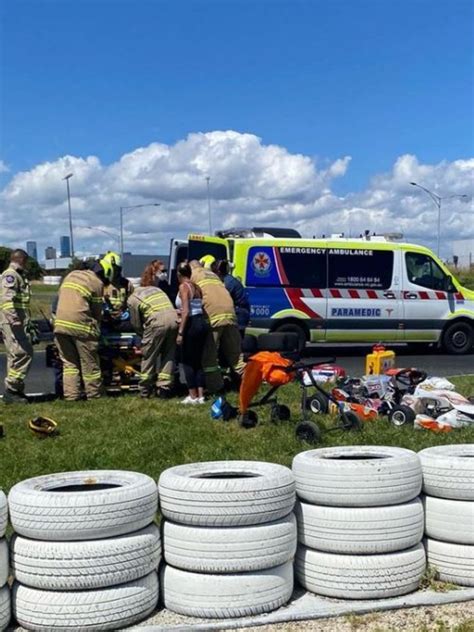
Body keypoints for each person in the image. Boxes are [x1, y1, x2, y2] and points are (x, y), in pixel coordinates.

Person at [53, 258, 112, 400]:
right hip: (81, 328)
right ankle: (94, 396)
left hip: (60, 326)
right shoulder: (96, 282)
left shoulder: (70, 276)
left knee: (69, 364)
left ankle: (71, 396)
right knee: (89, 365)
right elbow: (97, 312)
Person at [190, 257, 242, 393]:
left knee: (209, 357)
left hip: (213, 317)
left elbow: (191, 296)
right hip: (230, 314)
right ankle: (250, 382)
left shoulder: (193, 276)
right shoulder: (213, 275)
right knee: (236, 356)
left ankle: (215, 387)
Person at [127, 262, 178, 398]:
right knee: (168, 354)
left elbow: (136, 323)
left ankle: (145, 390)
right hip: (174, 319)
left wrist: (143, 336)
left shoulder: (133, 298)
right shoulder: (156, 289)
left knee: (149, 356)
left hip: (156, 322)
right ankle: (164, 388)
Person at [0, 249, 33, 404]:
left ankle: (16, 391)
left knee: (15, 355)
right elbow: (7, 299)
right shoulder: (11, 275)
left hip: (18, 322)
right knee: (23, 353)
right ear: (21, 260)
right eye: (25, 261)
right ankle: (12, 389)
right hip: (12, 322)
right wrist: (14, 319)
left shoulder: (19, 276)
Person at [175, 262, 209, 404]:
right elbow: (197, 306)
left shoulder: (184, 287)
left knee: (187, 361)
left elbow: (186, 311)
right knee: (198, 361)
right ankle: (201, 395)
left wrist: (181, 332)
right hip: (201, 322)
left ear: (179, 274)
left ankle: (192, 395)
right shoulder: (197, 287)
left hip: (191, 324)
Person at [216, 259, 250, 338]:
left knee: (236, 342)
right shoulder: (229, 280)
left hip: (238, 315)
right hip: (240, 313)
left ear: (218, 271)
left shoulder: (228, 282)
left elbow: (222, 298)